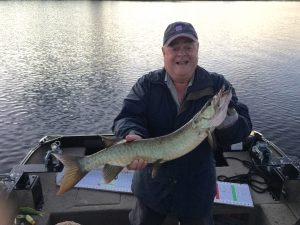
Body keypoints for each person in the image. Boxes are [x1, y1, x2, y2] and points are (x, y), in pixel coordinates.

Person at [112, 21, 252, 225]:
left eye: (188, 47)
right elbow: (127, 116)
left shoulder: (217, 85)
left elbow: (242, 129)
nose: (182, 54)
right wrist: (133, 133)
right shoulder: (147, 84)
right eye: (174, 48)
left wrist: (227, 120)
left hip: (196, 190)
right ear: (163, 52)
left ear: (197, 49)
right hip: (152, 187)